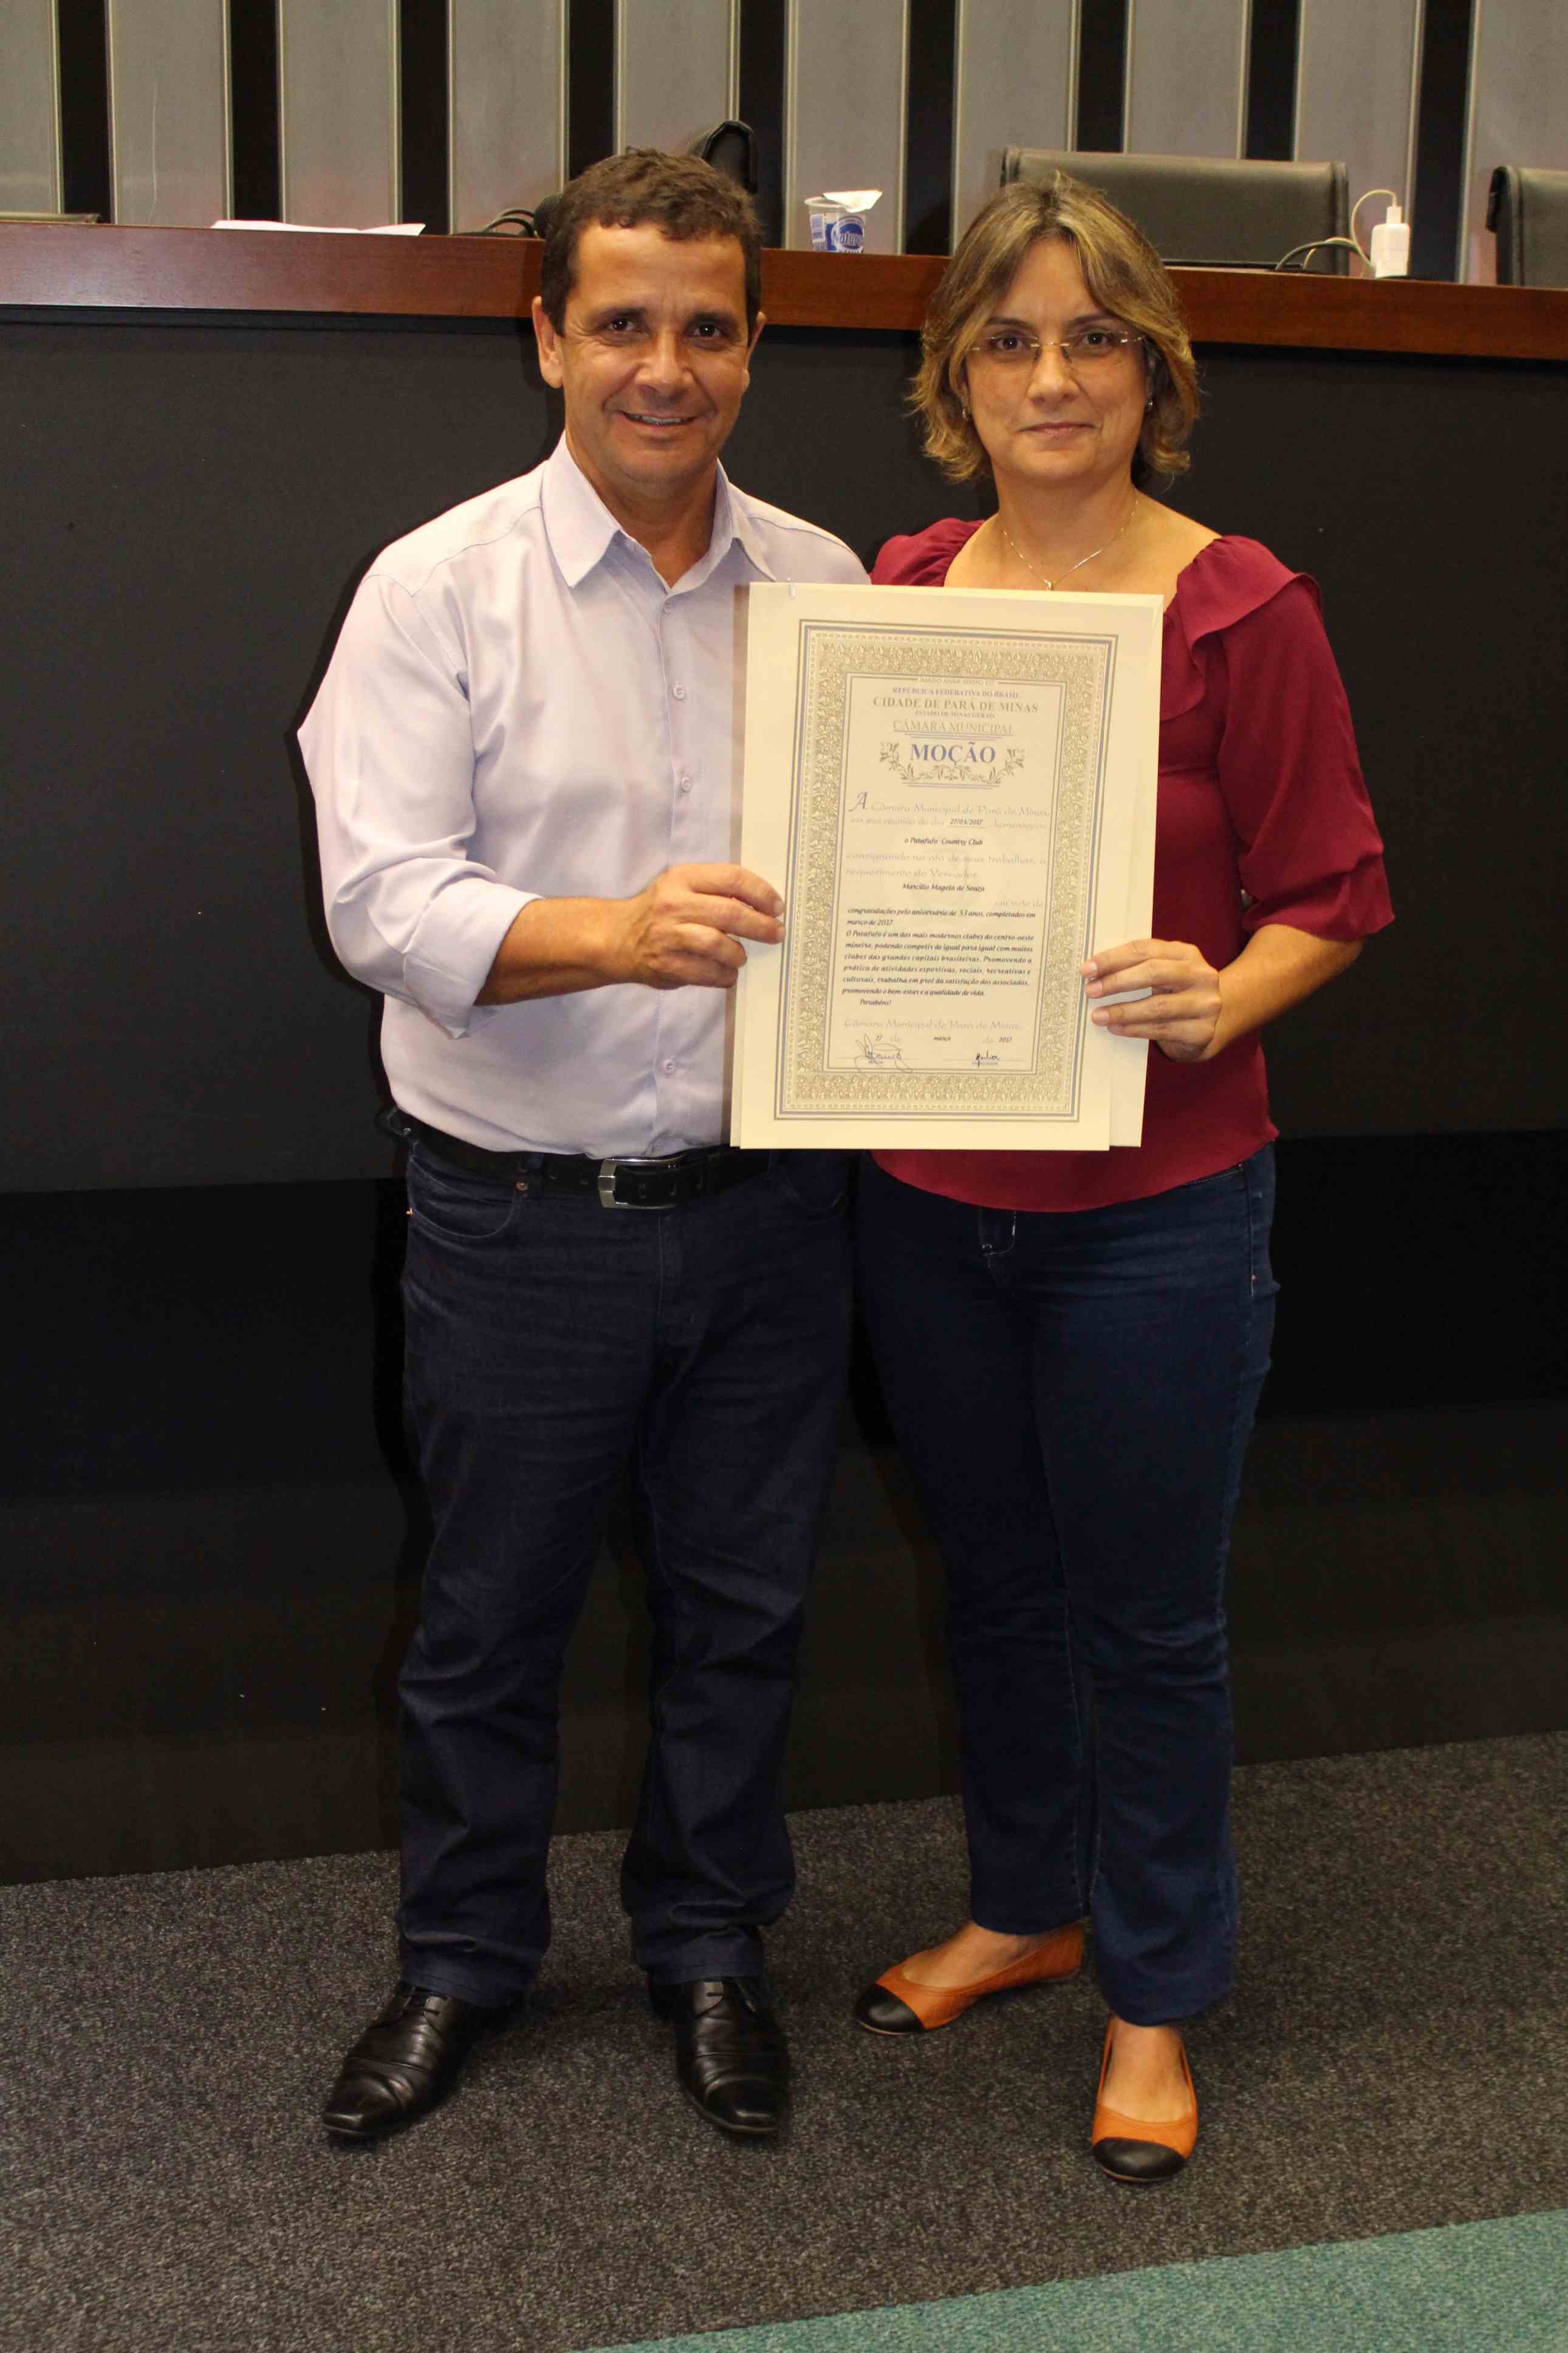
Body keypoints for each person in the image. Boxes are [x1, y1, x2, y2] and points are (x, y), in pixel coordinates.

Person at [299, 149, 866, 2146]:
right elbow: (381, 902)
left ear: (755, 346)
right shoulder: (435, 588)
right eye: (621, 322)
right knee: (487, 1624)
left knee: (746, 1614)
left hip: (772, 1211)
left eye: (707, 328)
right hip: (518, 1219)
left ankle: (708, 1946)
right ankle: (462, 1961)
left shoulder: (831, 588)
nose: (664, 368)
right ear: (546, 336)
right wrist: (615, 936)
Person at [850, 174, 1392, 2182]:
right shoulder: (902, 595)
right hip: (926, 1194)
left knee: (1148, 1620)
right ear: (955, 379)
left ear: (1155, 373)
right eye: (1009, 340)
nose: (1052, 377)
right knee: (992, 1586)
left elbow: (1337, 895)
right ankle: (1027, 1906)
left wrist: (1222, 995)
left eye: (1093, 338)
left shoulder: (1242, 606)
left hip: (1160, 1210)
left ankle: (1156, 1990)